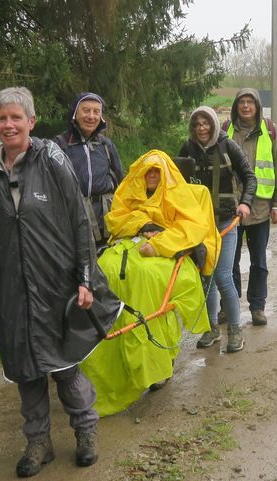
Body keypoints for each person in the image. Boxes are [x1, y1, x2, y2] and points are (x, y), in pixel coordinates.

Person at [0, 87, 121, 478]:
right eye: (2, 118)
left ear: (31, 122)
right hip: (11, 289)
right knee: (25, 371)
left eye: (16, 117)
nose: (9, 124)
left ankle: (85, 432)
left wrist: (85, 278)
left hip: (55, 285)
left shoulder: (51, 159)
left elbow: (80, 221)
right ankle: (38, 443)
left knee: (65, 367)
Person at [81, 149, 213, 416]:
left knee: (147, 281)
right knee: (104, 270)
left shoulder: (181, 197)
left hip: (166, 254)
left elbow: (192, 229)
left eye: (157, 171)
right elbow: (117, 219)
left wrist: (160, 242)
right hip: (129, 250)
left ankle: (154, 358)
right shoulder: (131, 195)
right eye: (148, 171)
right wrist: (142, 224)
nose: (152, 175)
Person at [177, 106, 257, 352]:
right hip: (199, 225)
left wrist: (245, 203)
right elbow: (175, 185)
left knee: (222, 276)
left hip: (225, 222)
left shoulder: (228, 146)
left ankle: (235, 330)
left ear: (213, 124)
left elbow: (249, 177)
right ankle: (211, 328)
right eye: (197, 124)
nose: (202, 128)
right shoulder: (186, 150)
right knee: (206, 278)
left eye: (206, 123)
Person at [223, 88, 277, 326]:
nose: (246, 106)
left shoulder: (271, 131)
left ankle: (257, 306)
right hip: (231, 207)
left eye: (251, 102)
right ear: (236, 106)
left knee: (258, 261)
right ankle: (228, 307)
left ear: (258, 106)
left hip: (260, 208)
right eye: (242, 102)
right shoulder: (225, 130)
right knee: (228, 262)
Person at [54, 92, 124, 249]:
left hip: (107, 223)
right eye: (86, 110)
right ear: (75, 113)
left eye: (96, 111)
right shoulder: (60, 145)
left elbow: (122, 182)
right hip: (72, 222)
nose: (91, 116)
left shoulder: (106, 146)